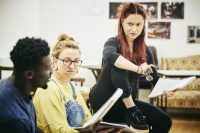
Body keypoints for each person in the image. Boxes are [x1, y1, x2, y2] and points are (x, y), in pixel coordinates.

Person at [89, 2, 174, 133]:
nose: (134, 29)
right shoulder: (112, 43)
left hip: (126, 102)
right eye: (130, 24)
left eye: (138, 24)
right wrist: (139, 69)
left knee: (164, 121)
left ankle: (132, 109)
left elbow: (155, 79)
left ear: (143, 24)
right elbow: (110, 55)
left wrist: (167, 89)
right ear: (122, 22)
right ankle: (132, 109)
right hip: (104, 100)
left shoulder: (145, 50)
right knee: (119, 64)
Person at [33, 34, 120, 133]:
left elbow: (88, 121)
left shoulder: (73, 88)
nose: (72, 66)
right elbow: (58, 130)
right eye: (67, 60)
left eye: (76, 61)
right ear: (55, 61)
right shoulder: (48, 88)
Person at [0, 37, 52, 133]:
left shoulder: (12, 86)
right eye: (48, 68)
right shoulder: (15, 120)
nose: (51, 72)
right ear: (29, 74)